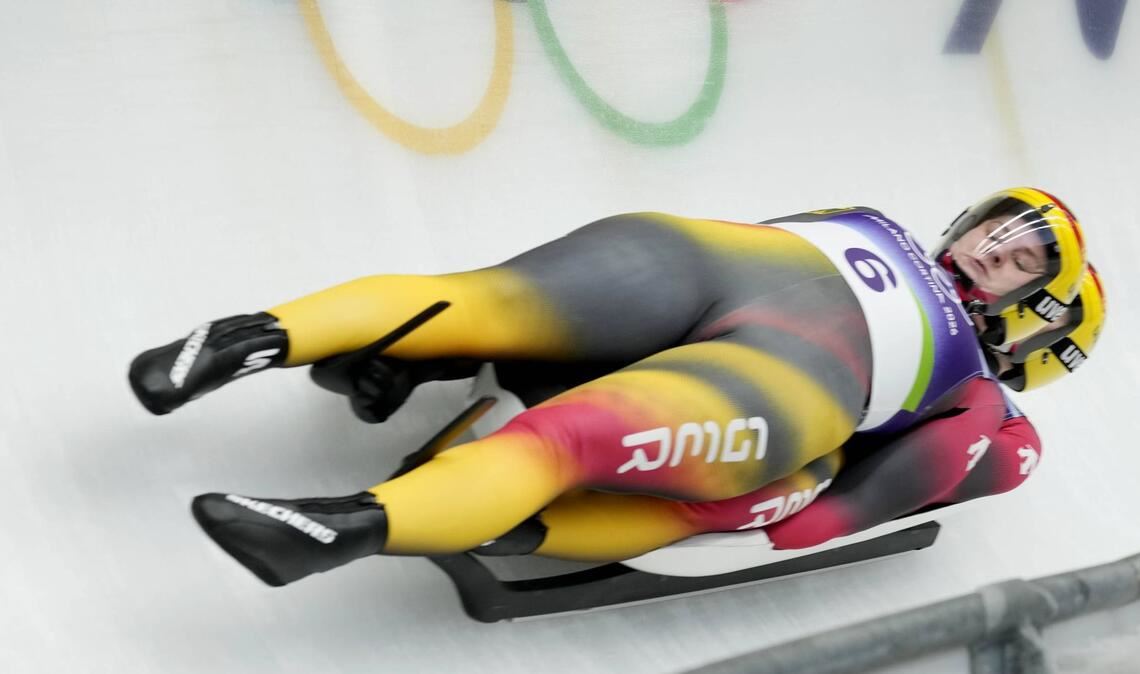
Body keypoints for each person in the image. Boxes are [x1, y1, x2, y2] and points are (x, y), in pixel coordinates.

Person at [128, 188, 1093, 586]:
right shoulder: (969, 389)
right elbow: (842, 509)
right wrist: (764, 519)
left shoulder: (867, 222)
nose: (992, 253)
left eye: (1017, 259)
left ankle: (265, 337)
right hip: (775, 372)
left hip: (700, 273)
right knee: (580, 443)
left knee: (481, 299)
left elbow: (864, 496)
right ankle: (358, 522)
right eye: (999, 233)